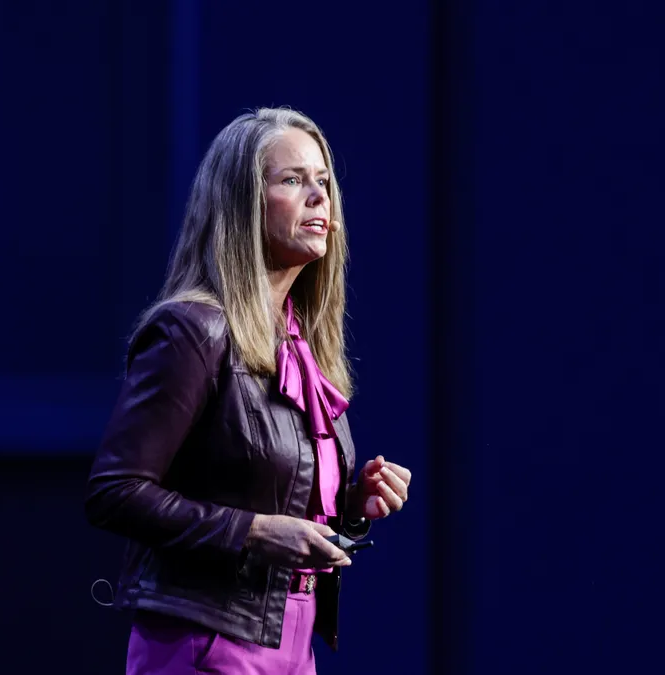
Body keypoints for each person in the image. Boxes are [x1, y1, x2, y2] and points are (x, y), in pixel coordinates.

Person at [85, 107, 413, 675]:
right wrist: (255, 532)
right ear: (243, 203)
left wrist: (353, 510)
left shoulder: (297, 342)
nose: (319, 197)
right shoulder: (194, 328)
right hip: (206, 638)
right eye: (292, 180)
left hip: (293, 642)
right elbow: (115, 490)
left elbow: (279, 499)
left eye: (324, 182)